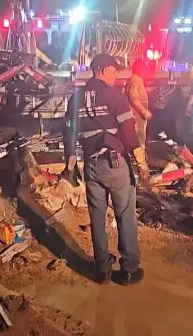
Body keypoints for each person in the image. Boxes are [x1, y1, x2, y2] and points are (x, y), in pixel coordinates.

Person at [62, 53, 150, 285]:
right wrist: (141, 164)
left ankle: (102, 269)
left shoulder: (75, 98)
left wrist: (70, 163)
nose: (115, 76)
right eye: (113, 71)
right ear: (101, 69)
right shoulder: (115, 96)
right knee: (125, 215)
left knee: (97, 217)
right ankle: (129, 269)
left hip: (91, 165)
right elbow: (129, 135)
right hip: (115, 164)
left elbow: (68, 133)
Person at [125, 60, 152, 148]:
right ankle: (139, 158)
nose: (146, 72)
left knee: (141, 136)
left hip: (140, 118)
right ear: (139, 70)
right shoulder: (135, 80)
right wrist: (144, 111)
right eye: (145, 69)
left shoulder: (138, 80)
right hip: (136, 116)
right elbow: (133, 98)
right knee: (138, 138)